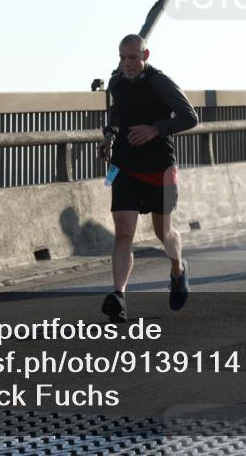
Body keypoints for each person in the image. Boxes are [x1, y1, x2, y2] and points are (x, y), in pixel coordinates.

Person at [98, 34, 198, 323]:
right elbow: (117, 113)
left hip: (159, 168)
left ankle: (178, 270)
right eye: (122, 57)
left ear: (145, 55)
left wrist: (155, 129)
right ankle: (119, 296)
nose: (127, 63)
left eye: (132, 57)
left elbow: (190, 117)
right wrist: (109, 136)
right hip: (125, 167)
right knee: (124, 232)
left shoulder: (160, 82)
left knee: (163, 234)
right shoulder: (117, 81)